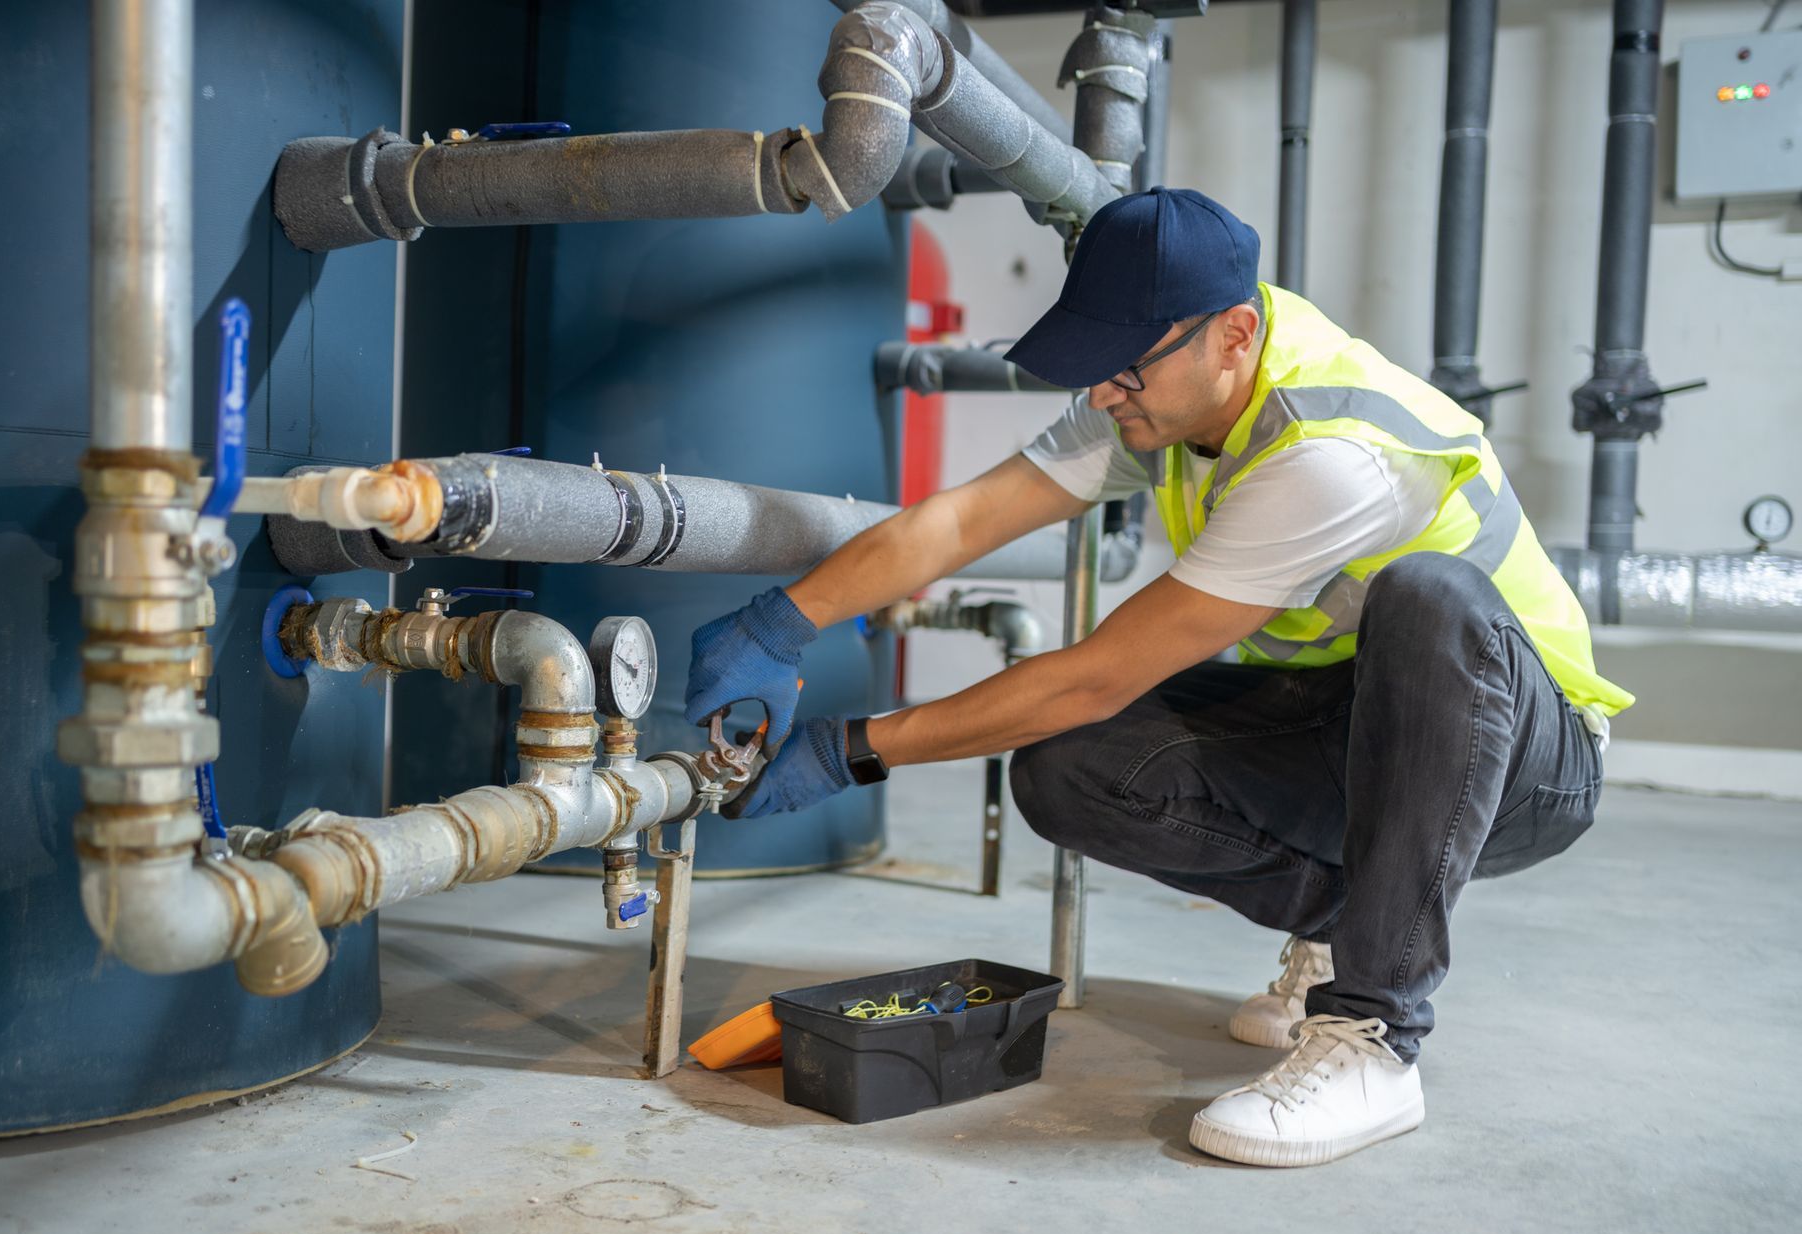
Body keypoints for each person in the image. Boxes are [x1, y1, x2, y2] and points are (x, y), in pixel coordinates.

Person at [683, 187, 1631, 1167]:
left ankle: (1373, 1038)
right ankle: (1350, 920)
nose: (1104, 392)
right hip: (1349, 726)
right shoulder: (1158, 400)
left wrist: (854, 751)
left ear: (1234, 334)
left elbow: (1093, 676)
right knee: (1070, 765)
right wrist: (782, 621)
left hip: (1520, 764)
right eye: (1097, 364)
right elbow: (962, 520)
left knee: (1430, 596)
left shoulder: (1334, 453)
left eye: (1127, 367)